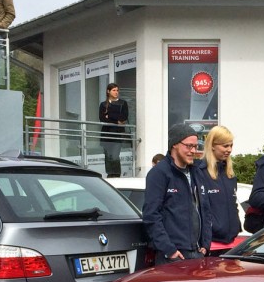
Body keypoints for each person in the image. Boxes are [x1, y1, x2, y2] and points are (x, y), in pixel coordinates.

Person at [142, 124, 212, 264]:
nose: (193, 151)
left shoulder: (197, 172)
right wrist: (169, 250)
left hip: (198, 253)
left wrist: (205, 243)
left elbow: (205, 209)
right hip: (173, 256)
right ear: (174, 144)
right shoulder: (159, 173)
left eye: (196, 146)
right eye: (189, 146)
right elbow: (151, 215)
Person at [196, 125, 241, 244]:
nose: (229, 150)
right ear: (212, 145)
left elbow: (233, 204)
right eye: (225, 145)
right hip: (210, 242)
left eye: (231, 145)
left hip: (231, 240)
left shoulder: (229, 174)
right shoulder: (200, 172)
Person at [98, 83, 128, 178]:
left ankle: (116, 175)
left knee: (115, 156)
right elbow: (102, 118)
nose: (116, 92)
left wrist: (109, 115)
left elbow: (124, 117)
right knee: (108, 156)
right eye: (114, 90)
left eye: (117, 90)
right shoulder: (103, 104)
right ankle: (110, 175)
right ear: (108, 91)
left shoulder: (123, 103)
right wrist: (116, 120)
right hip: (106, 133)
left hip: (118, 133)